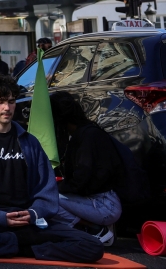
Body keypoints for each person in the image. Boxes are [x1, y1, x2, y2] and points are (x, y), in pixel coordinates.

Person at [0, 75, 103, 263]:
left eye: (11, 102)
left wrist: (33, 213)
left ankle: (23, 248)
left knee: (92, 246)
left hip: (27, 221)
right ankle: (28, 247)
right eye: (0, 102)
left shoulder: (30, 142)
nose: (7, 108)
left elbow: (46, 189)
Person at [50, 91, 124, 245]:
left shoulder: (86, 137)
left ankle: (94, 229)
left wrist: (57, 187)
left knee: (48, 200)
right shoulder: (88, 132)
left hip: (104, 205)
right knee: (50, 195)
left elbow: (81, 178)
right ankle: (96, 228)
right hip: (105, 201)